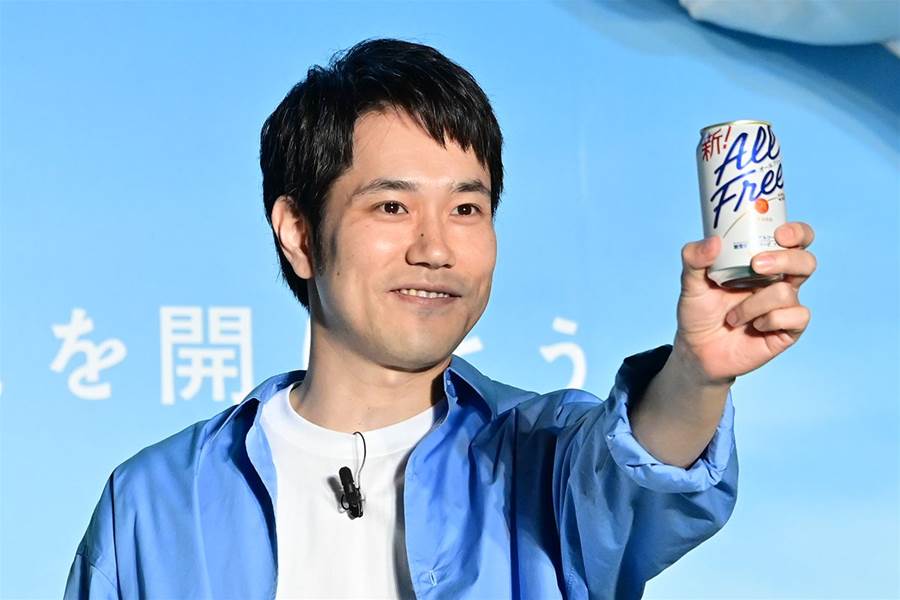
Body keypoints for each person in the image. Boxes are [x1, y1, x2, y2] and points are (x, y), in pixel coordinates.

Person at [64, 38, 817, 599]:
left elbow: (639, 474)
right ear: (298, 233)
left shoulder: (544, 457)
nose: (435, 248)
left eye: (466, 209)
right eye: (392, 206)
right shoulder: (155, 501)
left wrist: (696, 374)